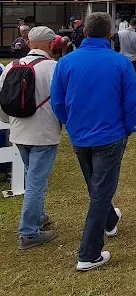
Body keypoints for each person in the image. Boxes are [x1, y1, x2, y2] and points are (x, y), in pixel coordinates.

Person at [50, 12, 136, 272]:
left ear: (84, 32)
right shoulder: (120, 63)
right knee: (100, 191)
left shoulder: (66, 62)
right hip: (110, 135)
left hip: (81, 134)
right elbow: (130, 101)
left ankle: (110, 220)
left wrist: (70, 123)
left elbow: (58, 101)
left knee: (95, 184)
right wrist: (127, 127)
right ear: (109, 35)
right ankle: (89, 254)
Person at [0, 27, 61, 250]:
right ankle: (29, 232)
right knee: (36, 182)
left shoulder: (11, 67)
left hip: (19, 131)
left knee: (31, 176)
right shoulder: (53, 68)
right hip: (44, 133)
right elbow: (61, 101)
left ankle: (38, 215)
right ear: (49, 44)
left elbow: (3, 101)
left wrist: (10, 122)